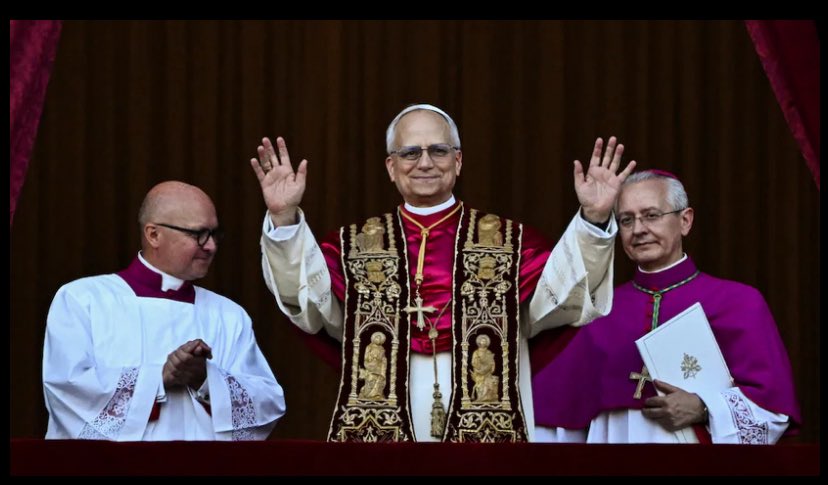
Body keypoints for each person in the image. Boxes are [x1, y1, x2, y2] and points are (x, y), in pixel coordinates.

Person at [250, 104, 635, 442]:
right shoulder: (353, 246)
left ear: (458, 161)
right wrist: (284, 219)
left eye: (438, 150)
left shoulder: (508, 242)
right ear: (390, 166)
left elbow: (564, 298)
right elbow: (309, 305)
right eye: (410, 152)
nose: (424, 162)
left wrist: (593, 219)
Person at [530, 169, 801, 444]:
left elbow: (772, 410)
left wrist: (704, 407)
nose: (638, 230)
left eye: (651, 215)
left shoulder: (739, 303)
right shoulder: (599, 311)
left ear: (685, 221)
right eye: (626, 220)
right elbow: (558, 417)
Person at [42, 181, 286, 441]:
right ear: (153, 234)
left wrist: (206, 380)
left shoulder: (229, 315)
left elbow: (268, 405)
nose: (211, 246)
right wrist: (158, 378)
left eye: (214, 234)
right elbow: (66, 389)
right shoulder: (83, 300)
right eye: (198, 234)